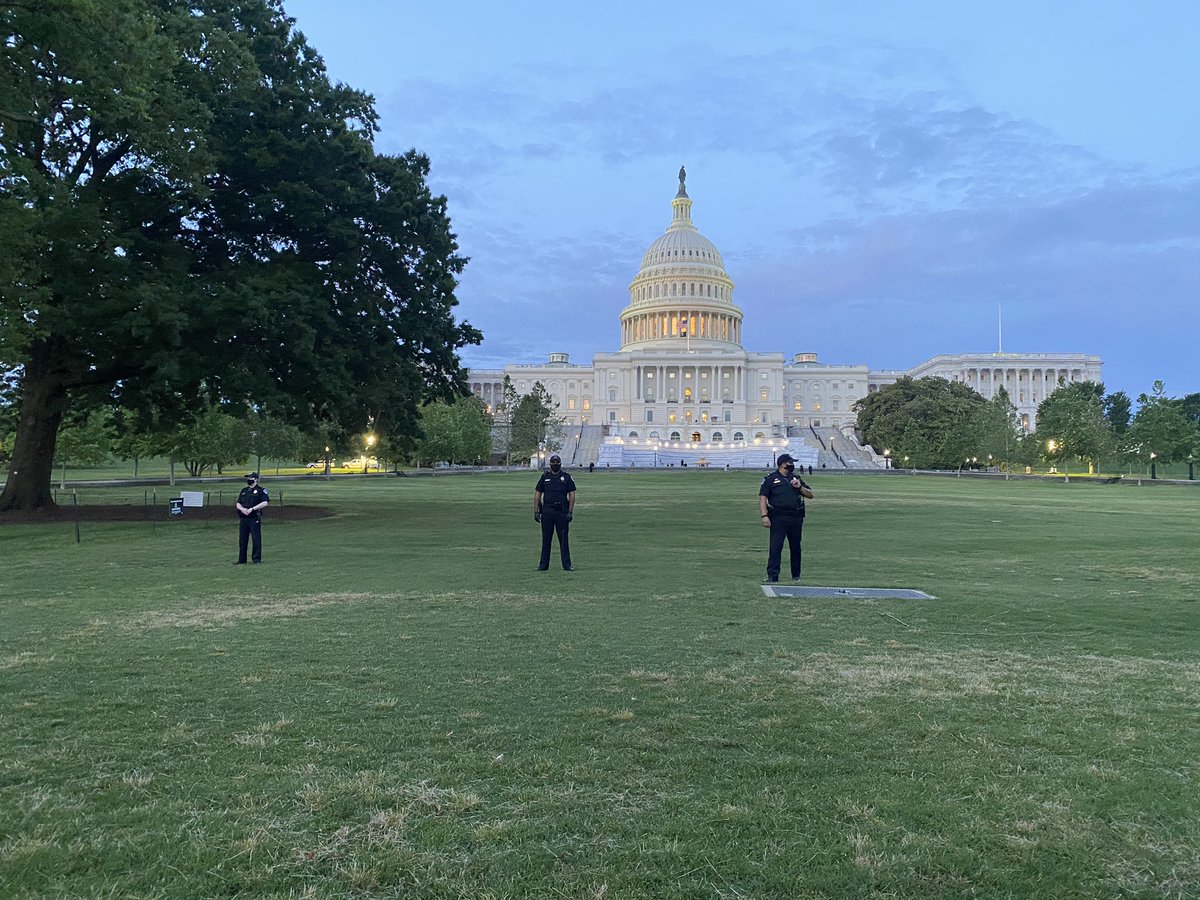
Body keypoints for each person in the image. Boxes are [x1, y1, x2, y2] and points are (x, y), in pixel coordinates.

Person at [759, 453, 813, 583]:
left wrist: (799, 487)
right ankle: (773, 575)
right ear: (783, 464)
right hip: (778, 516)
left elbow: (810, 494)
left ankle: (796, 575)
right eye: (790, 463)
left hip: (795, 516)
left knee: (795, 547)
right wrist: (764, 515)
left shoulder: (796, 478)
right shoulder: (770, 479)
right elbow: (763, 498)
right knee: (776, 547)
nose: (792, 465)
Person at [534, 454, 576, 571]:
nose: (555, 464)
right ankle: (543, 565)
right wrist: (536, 511)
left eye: (557, 463)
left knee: (563, 539)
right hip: (547, 511)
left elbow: (572, 494)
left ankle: (567, 565)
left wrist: (570, 511)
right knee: (546, 539)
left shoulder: (566, 477)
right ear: (550, 464)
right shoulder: (545, 477)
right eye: (553, 463)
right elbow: (538, 493)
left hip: (561, 512)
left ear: (560, 464)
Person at [235, 472, 270, 564]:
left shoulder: (261, 490)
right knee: (242, 539)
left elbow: (265, 502)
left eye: (250, 478)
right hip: (243, 518)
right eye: (248, 478)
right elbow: (238, 503)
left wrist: (252, 509)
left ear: (255, 479)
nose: (248, 480)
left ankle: (256, 559)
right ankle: (242, 560)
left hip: (254, 518)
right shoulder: (244, 490)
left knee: (256, 539)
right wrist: (242, 509)